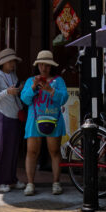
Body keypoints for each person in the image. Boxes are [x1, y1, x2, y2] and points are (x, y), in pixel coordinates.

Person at [20, 50, 68, 196]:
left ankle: (56, 183)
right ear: (37, 65)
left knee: (54, 151)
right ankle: (30, 184)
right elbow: (25, 99)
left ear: (51, 66)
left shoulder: (58, 81)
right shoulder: (31, 80)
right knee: (32, 152)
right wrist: (33, 87)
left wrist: (50, 90)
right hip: (34, 121)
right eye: (41, 64)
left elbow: (64, 98)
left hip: (54, 120)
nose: (44, 68)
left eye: (47, 65)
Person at [0, 47, 26, 193]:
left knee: (12, 149)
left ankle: (10, 180)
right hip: (2, 116)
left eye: (13, 61)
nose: (12, 64)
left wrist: (19, 88)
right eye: (10, 62)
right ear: (2, 63)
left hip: (14, 115)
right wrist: (6, 92)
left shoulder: (13, 75)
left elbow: (13, 93)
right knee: (0, 148)